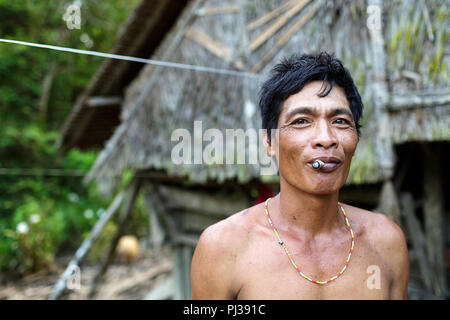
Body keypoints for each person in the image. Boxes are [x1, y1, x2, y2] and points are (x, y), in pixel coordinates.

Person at [190, 52, 409, 299]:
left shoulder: (385, 241)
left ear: (356, 138)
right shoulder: (223, 248)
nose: (326, 139)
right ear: (269, 142)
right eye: (302, 121)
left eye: (340, 121)